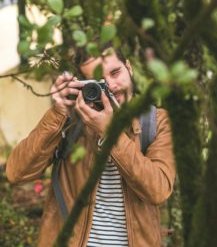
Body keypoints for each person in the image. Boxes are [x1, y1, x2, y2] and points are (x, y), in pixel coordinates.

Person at [6, 46, 176, 247]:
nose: (110, 86)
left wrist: (110, 133)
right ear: (84, 85)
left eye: (115, 72)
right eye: (99, 82)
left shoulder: (156, 121)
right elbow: (16, 173)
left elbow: (158, 191)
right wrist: (58, 113)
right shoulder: (70, 121)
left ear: (128, 67)